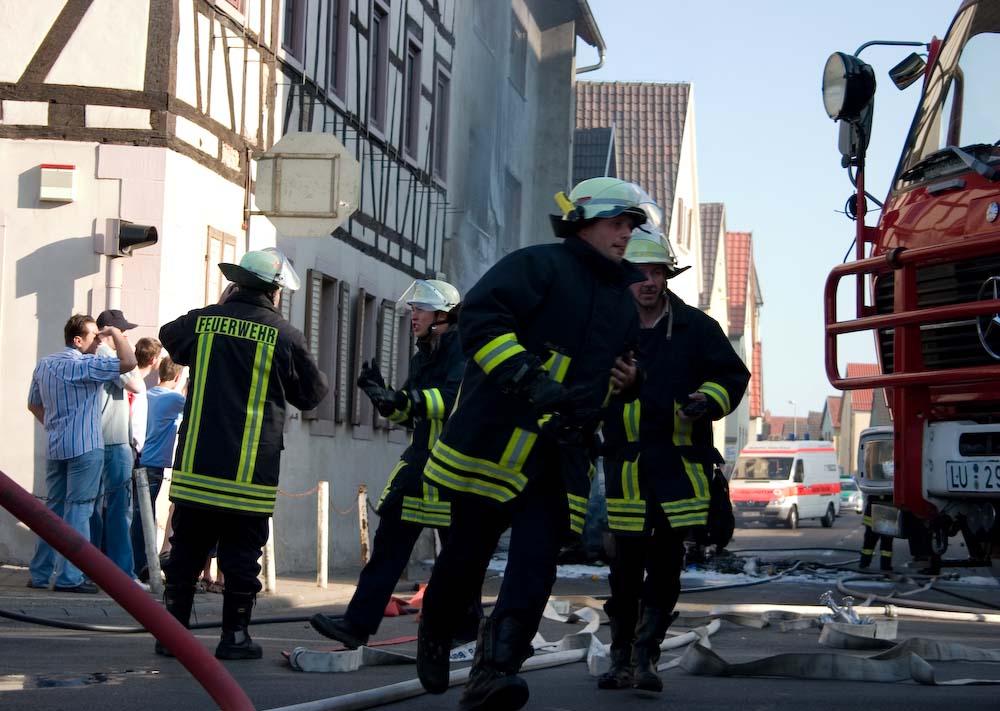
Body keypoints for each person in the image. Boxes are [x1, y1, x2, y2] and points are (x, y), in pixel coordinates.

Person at [415, 177, 648, 711]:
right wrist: (527, 378)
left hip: (557, 456)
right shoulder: (536, 266)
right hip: (493, 444)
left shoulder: (621, 299)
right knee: (466, 558)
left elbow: (619, 370)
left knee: (536, 565)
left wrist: (632, 382)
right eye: (618, 224)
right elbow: (480, 320)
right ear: (584, 223)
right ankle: (437, 626)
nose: (625, 236)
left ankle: (493, 673)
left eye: (631, 227)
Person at [597, 223, 749, 693]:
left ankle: (646, 659)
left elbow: (731, 375)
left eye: (656, 272)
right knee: (624, 570)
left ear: (667, 276)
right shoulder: (606, 325)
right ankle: (620, 657)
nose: (647, 281)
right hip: (626, 467)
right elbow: (581, 382)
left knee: (664, 567)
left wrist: (708, 398)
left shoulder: (696, 328)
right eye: (638, 272)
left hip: (678, 467)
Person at [157, 248, 328, 660]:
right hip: (250, 471)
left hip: (197, 464)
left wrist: (217, 311)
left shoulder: (203, 322)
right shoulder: (285, 335)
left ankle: (172, 638)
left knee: (185, 552)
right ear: (275, 292)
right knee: (241, 556)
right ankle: (234, 638)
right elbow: (311, 395)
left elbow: (168, 335)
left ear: (234, 283)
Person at [310, 279, 467, 648]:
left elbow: (449, 399)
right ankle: (356, 626)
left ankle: (466, 633)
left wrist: (402, 398)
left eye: (420, 309)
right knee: (388, 547)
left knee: (460, 559)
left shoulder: (461, 348)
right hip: (420, 469)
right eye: (413, 309)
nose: (413, 316)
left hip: (454, 472)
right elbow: (413, 416)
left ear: (442, 314)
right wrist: (383, 398)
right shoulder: (423, 353)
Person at [27, 314, 137, 593]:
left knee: (51, 510)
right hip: (86, 447)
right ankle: (69, 577)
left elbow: (34, 404)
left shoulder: (45, 364)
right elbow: (129, 364)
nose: (97, 341)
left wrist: (54, 425)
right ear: (78, 340)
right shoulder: (85, 364)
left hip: (56, 445)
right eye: (93, 336)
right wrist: (115, 334)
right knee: (78, 511)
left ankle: (40, 573)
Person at [89, 309, 143, 582]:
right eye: (123, 331)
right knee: (120, 510)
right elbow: (136, 384)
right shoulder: (106, 355)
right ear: (110, 331)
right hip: (112, 442)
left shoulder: (98, 355)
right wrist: (125, 348)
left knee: (95, 509)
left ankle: (95, 569)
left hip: (101, 441)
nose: (126, 335)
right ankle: (121, 574)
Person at [132, 354, 186, 580]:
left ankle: (138, 562)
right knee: (145, 515)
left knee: (136, 513)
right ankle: (143, 564)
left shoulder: (147, 393)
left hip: (139, 458)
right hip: (154, 464)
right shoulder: (173, 399)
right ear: (176, 376)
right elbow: (195, 406)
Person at [860, 493, 893, 572]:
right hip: (887, 508)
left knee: (869, 542)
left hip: (875, 509)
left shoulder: (871, 485)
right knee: (886, 542)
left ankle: (864, 563)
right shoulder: (891, 484)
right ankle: (885, 565)